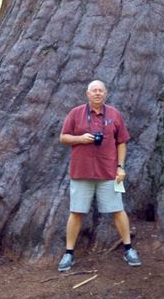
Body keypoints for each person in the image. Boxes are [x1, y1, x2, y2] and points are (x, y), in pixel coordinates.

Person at [58, 79, 141, 271]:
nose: (97, 93)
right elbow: (63, 137)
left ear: (105, 94)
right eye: (93, 91)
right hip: (82, 172)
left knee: (117, 209)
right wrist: (80, 138)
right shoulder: (76, 113)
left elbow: (122, 142)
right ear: (87, 94)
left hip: (107, 172)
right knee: (76, 211)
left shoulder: (114, 114)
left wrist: (120, 167)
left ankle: (129, 248)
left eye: (100, 91)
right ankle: (68, 253)